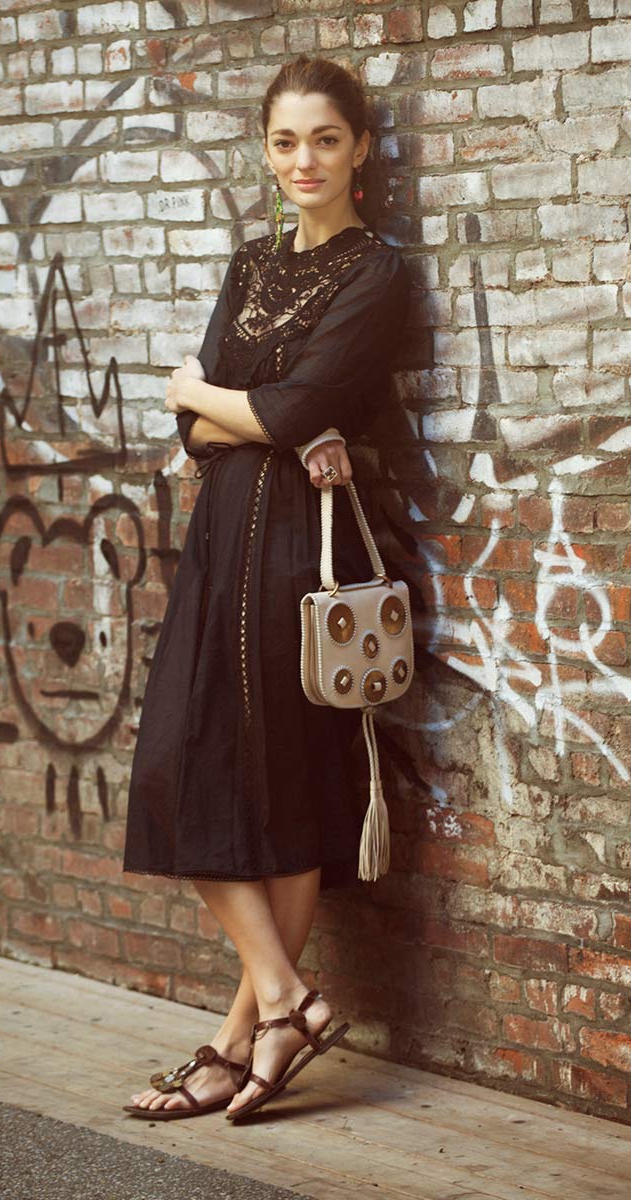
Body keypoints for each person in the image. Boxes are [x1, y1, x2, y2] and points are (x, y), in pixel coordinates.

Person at [122, 53, 412, 1121]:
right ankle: (284, 1004)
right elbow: (196, 431)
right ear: (264, 151)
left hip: (305, 551)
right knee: (176, 768)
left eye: (325, 139)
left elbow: (270, 411)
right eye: (285, 141)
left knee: (283, 790)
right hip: (222, 543)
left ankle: (241, 1039)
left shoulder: (377, 274)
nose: (305, 160)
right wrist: (239, 411)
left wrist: (221, 399)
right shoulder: (251, 265)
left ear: (360, 148)